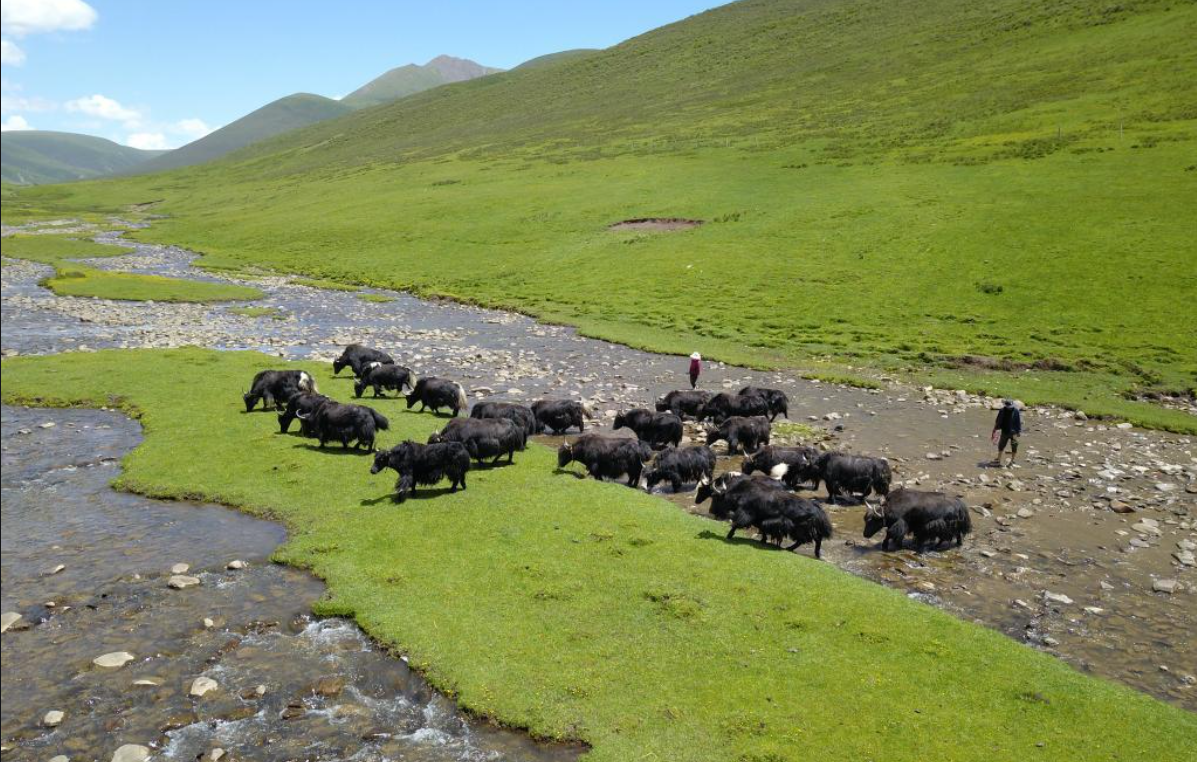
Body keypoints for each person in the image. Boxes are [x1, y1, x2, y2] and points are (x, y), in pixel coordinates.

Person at [992, 399, 1022, 467]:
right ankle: (998, 460)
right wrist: (995, 429)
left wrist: (1019, 431)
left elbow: (1018, 422)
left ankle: (1012, 461)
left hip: (1014, 433)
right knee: (1001, 446)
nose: (1009, 408)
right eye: (1008, 406)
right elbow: (998, 420)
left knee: (1014, 446)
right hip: (1004, 431)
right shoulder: (1002, 410)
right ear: (1006, 405)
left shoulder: (1016, 411)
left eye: (1010, 406)